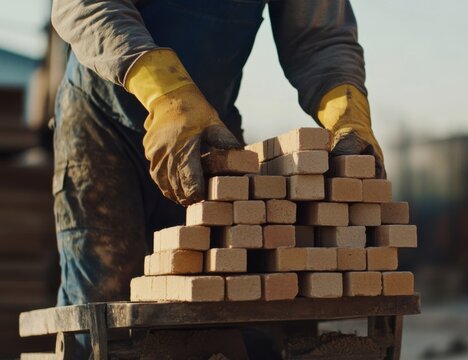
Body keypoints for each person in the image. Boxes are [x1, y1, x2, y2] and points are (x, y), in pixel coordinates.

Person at [51, 0, 385, 353]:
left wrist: (349, 115)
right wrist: (167, 96)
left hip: (209, 133)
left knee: (228, 300)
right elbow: (84, 5)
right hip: (103, 127)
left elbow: (320, 38)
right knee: (105, 313)